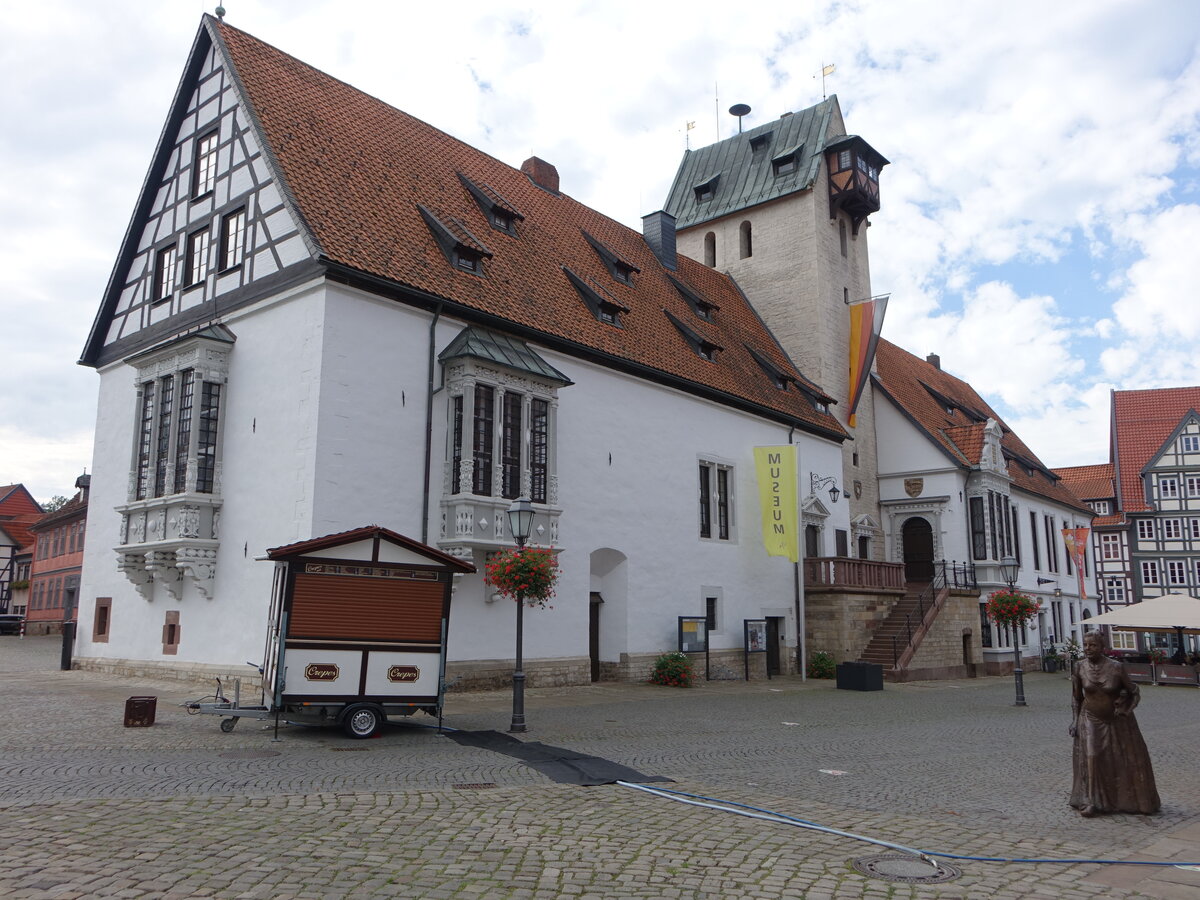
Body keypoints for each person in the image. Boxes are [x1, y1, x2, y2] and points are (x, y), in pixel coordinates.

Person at [1069, 631, 1160, 816]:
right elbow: (1076, 698)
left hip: (1115, 720)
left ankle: (1125, 800)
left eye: (1093, 645)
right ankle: (1091, 801)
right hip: (1090, 716)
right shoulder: (1079, 667)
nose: (1088, 649)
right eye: (1085, 645)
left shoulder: (1116, 668)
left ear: (1102, 647)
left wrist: (1125, 707)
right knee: (1092, 756)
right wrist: (1074, 721)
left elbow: (1133, 691)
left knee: (1119, 758)